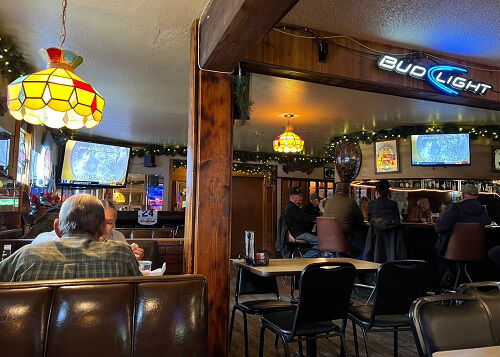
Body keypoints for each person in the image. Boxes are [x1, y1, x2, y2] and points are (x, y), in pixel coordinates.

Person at [0, 194, 142, 282]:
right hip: (107, 330)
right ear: (102, 228)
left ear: (57, 228)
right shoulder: (121, 254)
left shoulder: (26, 256)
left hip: (34, 331)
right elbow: (140, 294)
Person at [32, 199, 144, 260]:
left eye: (109, 223)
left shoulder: (119, 241)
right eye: (100, 222)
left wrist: (133, 258)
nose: (104, 227)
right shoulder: (44, 241)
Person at [435, 184, 491, 256]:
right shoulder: (483, 210)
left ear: (462, 195)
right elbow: (488, 221)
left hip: (452, 251)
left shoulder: (454, 208)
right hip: (476, 251)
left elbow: (440, 227)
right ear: (477, 196)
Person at [363, 180, 406, 262]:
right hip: (393, 240)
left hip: (376, 239)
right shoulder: (393, 204)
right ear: (388, 192)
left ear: (377, 192)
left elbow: (369, 220)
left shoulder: (372, 204)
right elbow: (397, 219)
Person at [323, 182, 365, 256]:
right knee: (362, 242)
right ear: (347, 191)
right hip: (344, 237)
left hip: (327, 237)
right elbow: (360, 219)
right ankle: (361, 263)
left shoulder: (328, 201)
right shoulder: (351, 202)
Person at [284, 187, 319, 257]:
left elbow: (303, 217)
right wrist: (316, 218)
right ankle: (304, 258)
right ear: (293, 196)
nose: (301, 198)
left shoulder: (292, 207)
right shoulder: (292, 208)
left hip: (297, 232)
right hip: (299, 233)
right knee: (322, 242)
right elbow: (303, 218)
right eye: (299, 196)